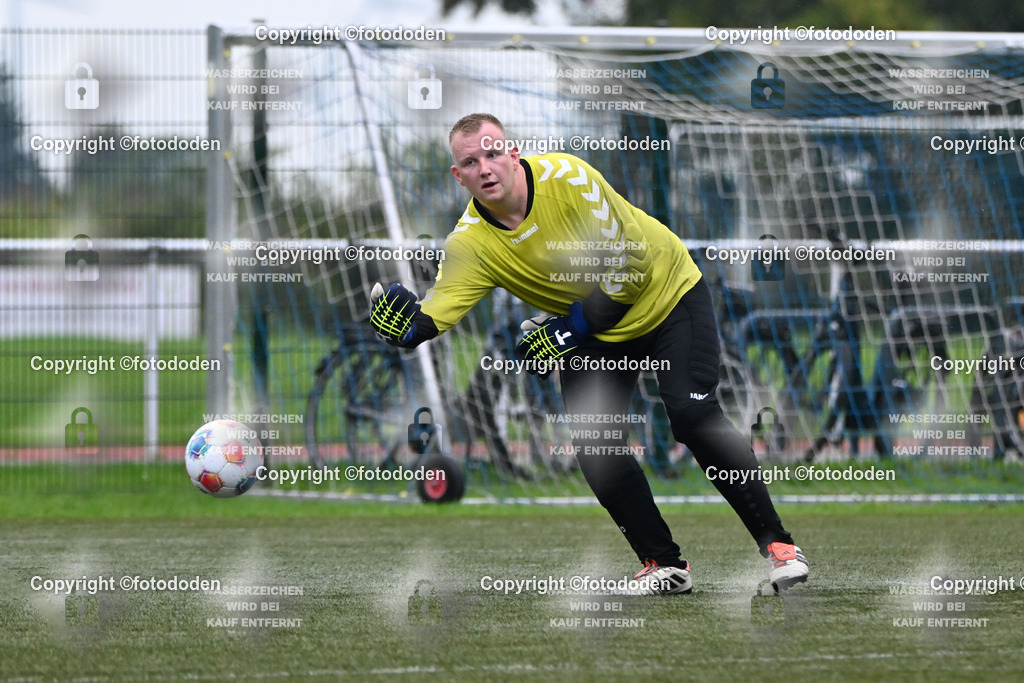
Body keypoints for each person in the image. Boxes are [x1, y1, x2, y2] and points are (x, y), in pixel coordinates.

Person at [369, 113, 808, 594]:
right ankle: (663, 564)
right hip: (597, 331)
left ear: (514, 154)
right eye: (471, 161)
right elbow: (435, 314)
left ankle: (780, 548)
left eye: (493, 153)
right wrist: (404, 329)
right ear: (459, 175)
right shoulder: (470, 243)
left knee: (691, 416)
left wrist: (567, 329)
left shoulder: (571, 180)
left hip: (667, 295)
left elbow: (633, 268)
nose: (486, 167)